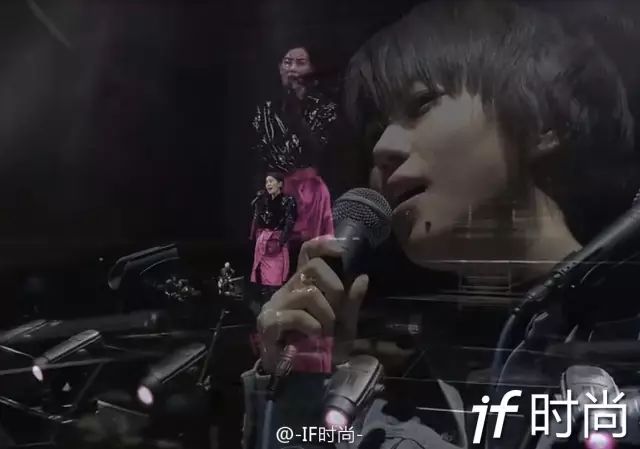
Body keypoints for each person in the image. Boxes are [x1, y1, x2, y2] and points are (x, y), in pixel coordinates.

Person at [242, 1, 640, 449]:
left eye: (422, 103)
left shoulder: (624, 336)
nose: (382, 148)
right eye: (376, 130)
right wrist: (296, 391)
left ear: (544, 120)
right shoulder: (382, 389)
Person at [251, 45, 336, 245]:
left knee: (310, 252)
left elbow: (319, 149)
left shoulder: (324, 108)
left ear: (312, 70)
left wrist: (296, 111)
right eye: (287, 62)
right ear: (279, 67)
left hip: (310, 195)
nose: (292, 69)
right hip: (275, 192)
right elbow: (263, 152)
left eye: (300, 63)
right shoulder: (266, 110)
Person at [250, 173, 297, 305]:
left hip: (277, 242)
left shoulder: (288, 200)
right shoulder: (263, 201)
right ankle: (265, 307)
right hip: (264, 243)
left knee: (275, 279)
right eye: (266, 182)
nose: (268, 184)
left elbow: (290, 223)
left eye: (271, 181)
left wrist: (281, 242)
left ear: (280, 184)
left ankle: (276, 308)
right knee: (263, 280)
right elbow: (259, 220)